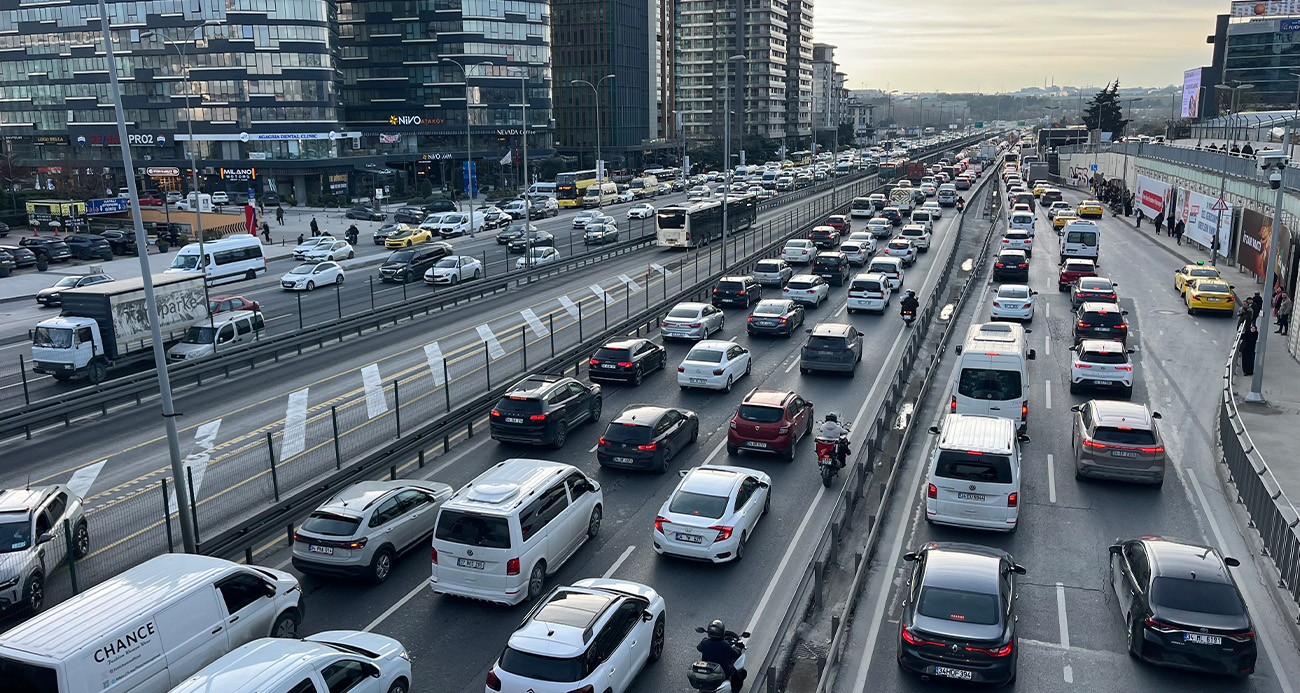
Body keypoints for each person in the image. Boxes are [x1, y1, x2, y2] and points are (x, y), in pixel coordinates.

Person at [697, 620, 744, 693]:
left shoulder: (705, 642)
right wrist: (738, 648)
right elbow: (735, 654)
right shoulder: (725, 645)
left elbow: (699, 648)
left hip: (708, 670)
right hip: (723, 672)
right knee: (735, 674)